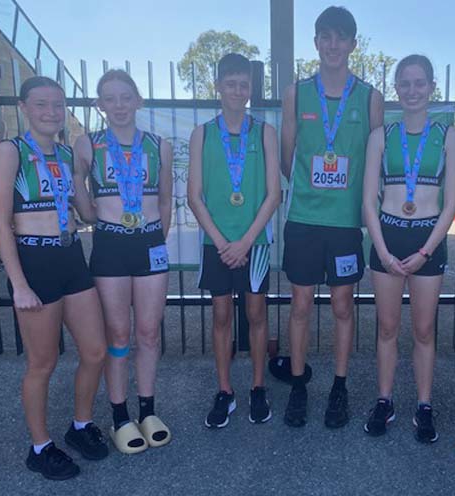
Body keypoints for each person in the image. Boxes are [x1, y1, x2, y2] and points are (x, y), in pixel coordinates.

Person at [0, 76, 108, 480]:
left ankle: (80, 425)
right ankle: (40, 447)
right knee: (43, 362)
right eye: (41, 104)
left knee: (95, 351)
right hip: (34, 260)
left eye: (58, 105)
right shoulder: (10, 151)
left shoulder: (66, 153)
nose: (51, 112)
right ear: (24, 107)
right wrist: (19, 285)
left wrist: (114, 195)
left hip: (71, 255)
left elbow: (86, 213)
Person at [279, 5, 384, 428]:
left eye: (341, 37)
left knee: (343, 305)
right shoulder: (296, 93)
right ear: (316, 42)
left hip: (344, 223)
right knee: (300, 304)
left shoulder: (370, 97)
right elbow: (287, 156)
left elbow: (375, 161)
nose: (333, 44)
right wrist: (312, 185)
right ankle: (299, 385)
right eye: (326, 36)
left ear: (353, 44)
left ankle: (339, 387)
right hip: (304, 218)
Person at [361, 55, 455, 442]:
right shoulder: (381, 136)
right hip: (387, 238)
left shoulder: (449, 136)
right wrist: (383, 251)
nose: (412, 90)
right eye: (405, 83)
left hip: (427, 241)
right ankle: (384, 400)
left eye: (420, 83)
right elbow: (368, 201)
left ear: (432, 88)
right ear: (396, 89)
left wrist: (425, 253)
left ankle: (424, 404)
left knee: (423, 330)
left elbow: (451, 204)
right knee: (387, 327)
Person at [73, 69, 173, 454]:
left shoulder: (159, 146)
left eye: (125, 97)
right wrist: (89, 212)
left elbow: (165, 199)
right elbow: (82, 196)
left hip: (149, 243)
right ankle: (120, 416)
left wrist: (157, 236)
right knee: (118, 335)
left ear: (138, 101)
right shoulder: (88, 144)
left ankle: (148, 411)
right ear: (100, 105)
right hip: (110, 244)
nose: (119, 105)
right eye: (110, 98)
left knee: (148, 333)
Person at [187, 53, 281, 427]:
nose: (238, 91)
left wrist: (245, 242)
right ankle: (225, 390)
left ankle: (257, 387)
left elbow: (274, 194)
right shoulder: (202, 134)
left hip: (254, 244)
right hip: (216, 244)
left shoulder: (265, 132)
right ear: (218, 87)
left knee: (257, 314)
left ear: (251, 88)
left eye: (244, 85)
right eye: (231, 84)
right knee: (222, 316)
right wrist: (223, 242)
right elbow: (194, 196)